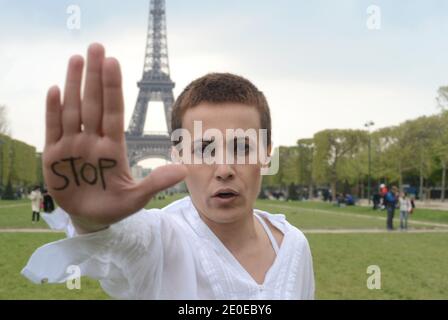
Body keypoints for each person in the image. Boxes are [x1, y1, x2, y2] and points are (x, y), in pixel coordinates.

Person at [21, 43, 315, 300]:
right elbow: (127, 242)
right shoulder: (160, 242)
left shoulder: (295, 246)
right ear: (177, 155)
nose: (224, 169)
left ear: (266, 153)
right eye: (204, 150)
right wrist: (94, 223)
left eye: (241, 147)